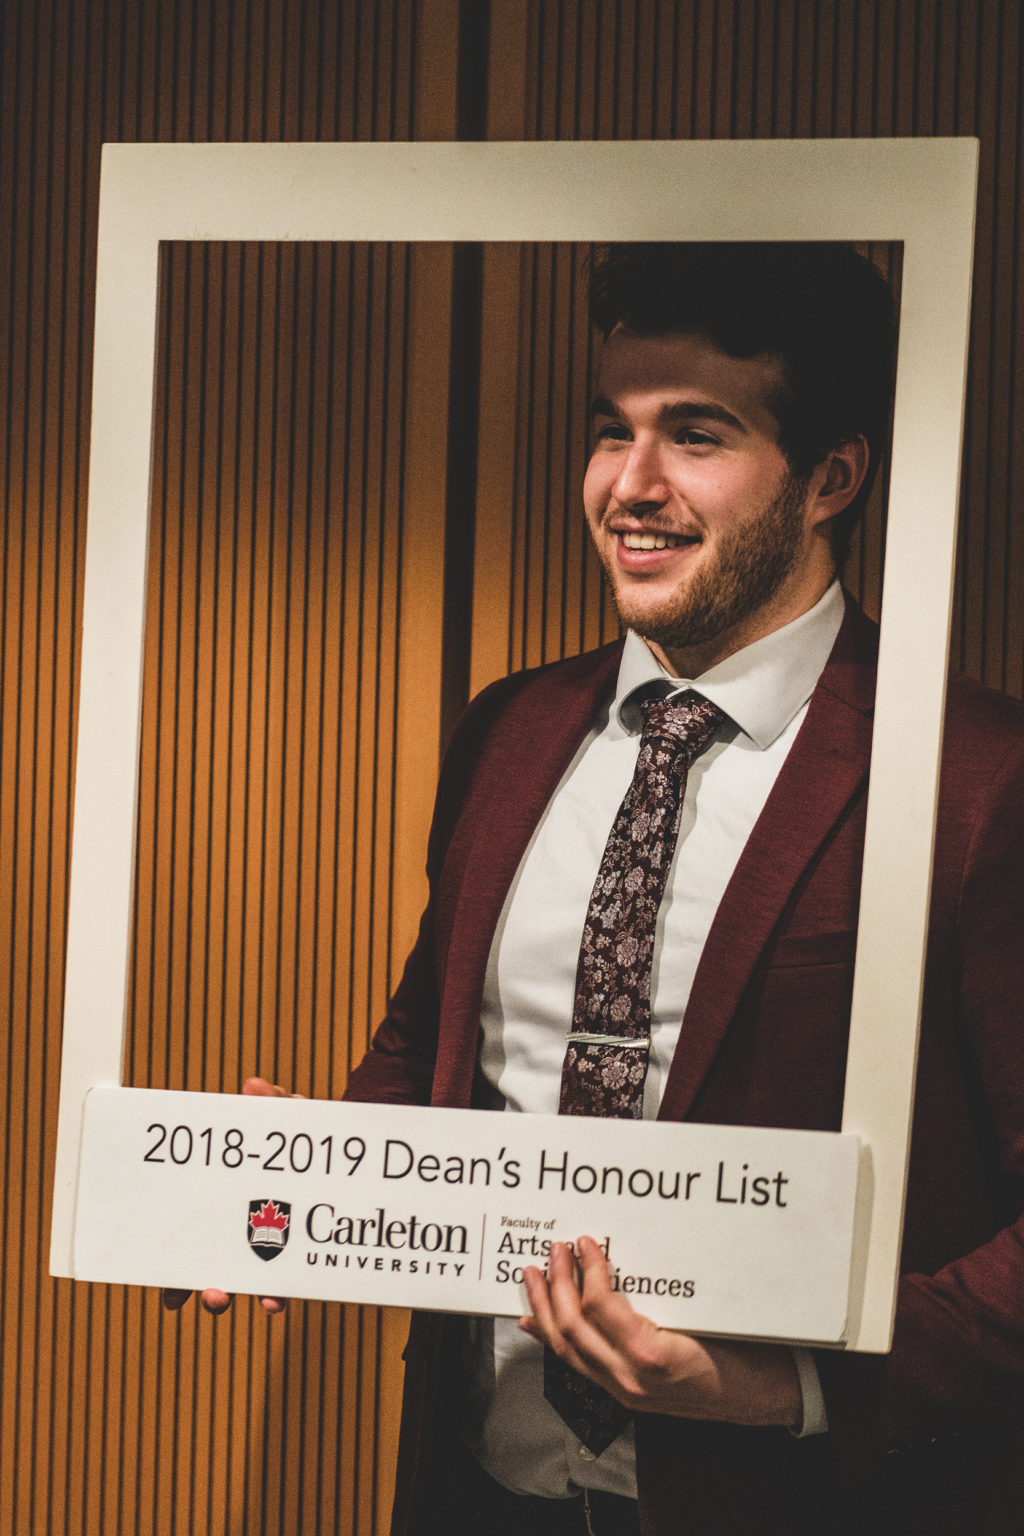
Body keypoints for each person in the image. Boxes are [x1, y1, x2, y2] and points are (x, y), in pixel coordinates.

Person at [171, 244, 1024, 1535]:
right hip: (481, 1495)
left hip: (801, 1501)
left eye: (696, 435)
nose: (630, 488)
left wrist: (785, 1387)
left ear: (830, 478)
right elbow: (439, 1050)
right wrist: (300, 1179)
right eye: (607, 433)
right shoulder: (511, 729)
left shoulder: (976, 778)